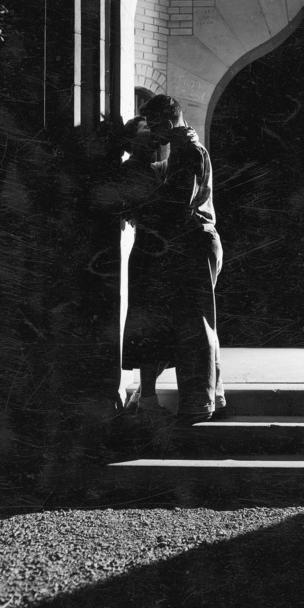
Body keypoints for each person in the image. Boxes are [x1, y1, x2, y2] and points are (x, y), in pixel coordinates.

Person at [124, 96, 226, 424]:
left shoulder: (187, 152)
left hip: (192, 242)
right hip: (192, 242)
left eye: (155, 128)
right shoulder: (184, 149)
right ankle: (210, 395)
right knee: (195, 320)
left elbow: (176, 205)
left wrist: (138, 206)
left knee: (195, 323)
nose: (154, 136)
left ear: (166, 125)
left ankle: (200, 403)